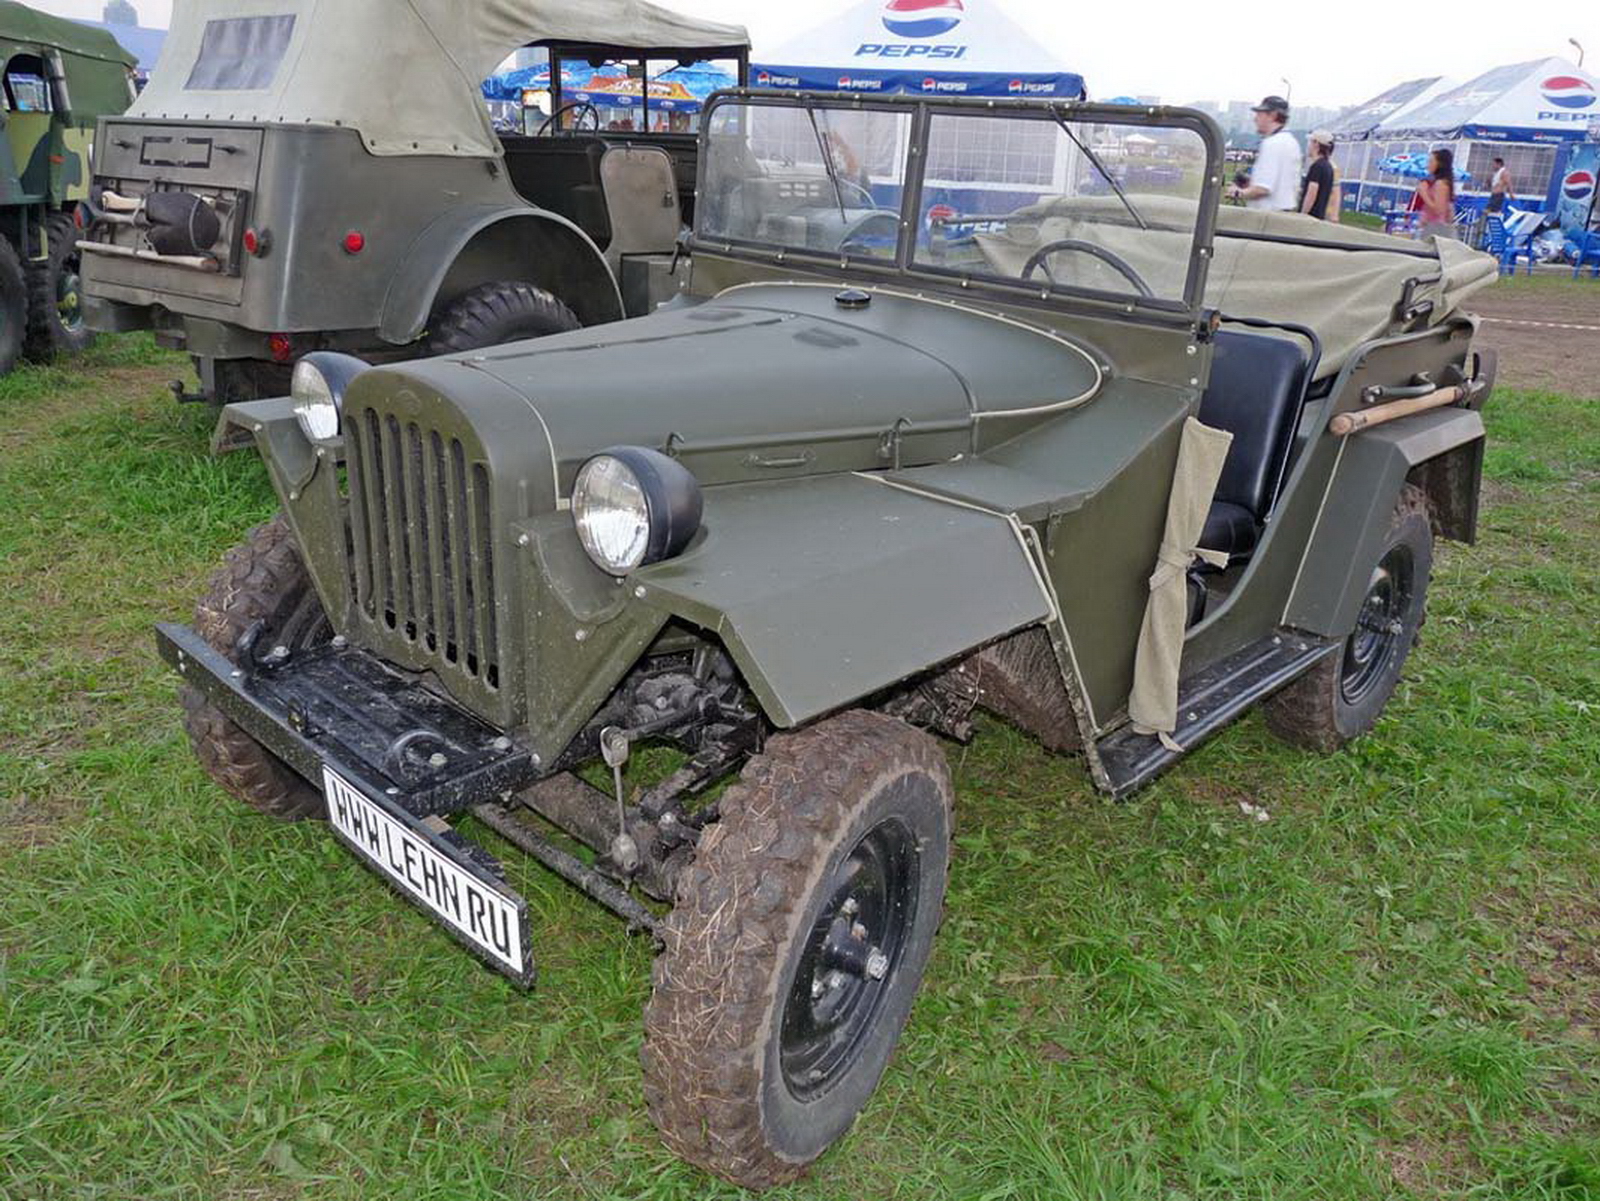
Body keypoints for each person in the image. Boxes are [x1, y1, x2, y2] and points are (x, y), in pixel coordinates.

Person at [1227, 95, 1301, 211]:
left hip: (1266, 215)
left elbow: (1262, 189)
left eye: (1260, 114)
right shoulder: (1291, 142)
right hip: (1285, 213)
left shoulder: (1272, 143)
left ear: (1273, 115)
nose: (1255, 119)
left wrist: (1237, 192)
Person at [1414, 147, 1456, 240]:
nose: (1428, 165)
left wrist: (1423, 193)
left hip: (1436, 229)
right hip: (1431, 227)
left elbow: (1439, 210)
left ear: (1439, 164)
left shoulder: (1441, 184)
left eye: (1431, 162)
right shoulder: (1439, 182)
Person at [1300, 130, 1337, 220]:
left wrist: (1302, 214)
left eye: (1310, 142)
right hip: (1319, 217)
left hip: (1310, 217)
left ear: (1316, 144)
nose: (1308, 146)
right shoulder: (1328, 167)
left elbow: (1312, 192)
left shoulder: (1317, 167)